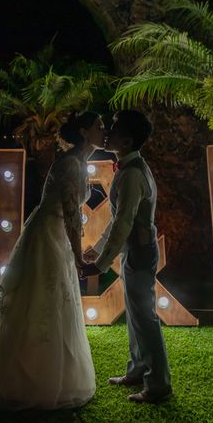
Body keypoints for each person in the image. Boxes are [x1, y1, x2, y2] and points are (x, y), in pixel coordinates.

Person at [0, 111, 105, 410]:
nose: (105, 130)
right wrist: (78, 256)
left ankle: (37, 369)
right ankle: (27, 378)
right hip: (50, 235)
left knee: (48, 301)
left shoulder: (77, 161)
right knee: (42, 299)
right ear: (85, 132)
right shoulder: (72, 163)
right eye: (99, 126)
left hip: (52, 232)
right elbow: (72, 214)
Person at [81, 110, 173, 404]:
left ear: (128, 139)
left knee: (144, 318)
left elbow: (124, 224)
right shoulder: (131, 169)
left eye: (115, 129)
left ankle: (158, 385)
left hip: (139, 251)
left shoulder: (132, 175)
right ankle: (137, 370)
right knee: (136, 316)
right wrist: (98, 249)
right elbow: (118, 220)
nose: (107, 132)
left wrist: (99, 263)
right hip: (136, 250)